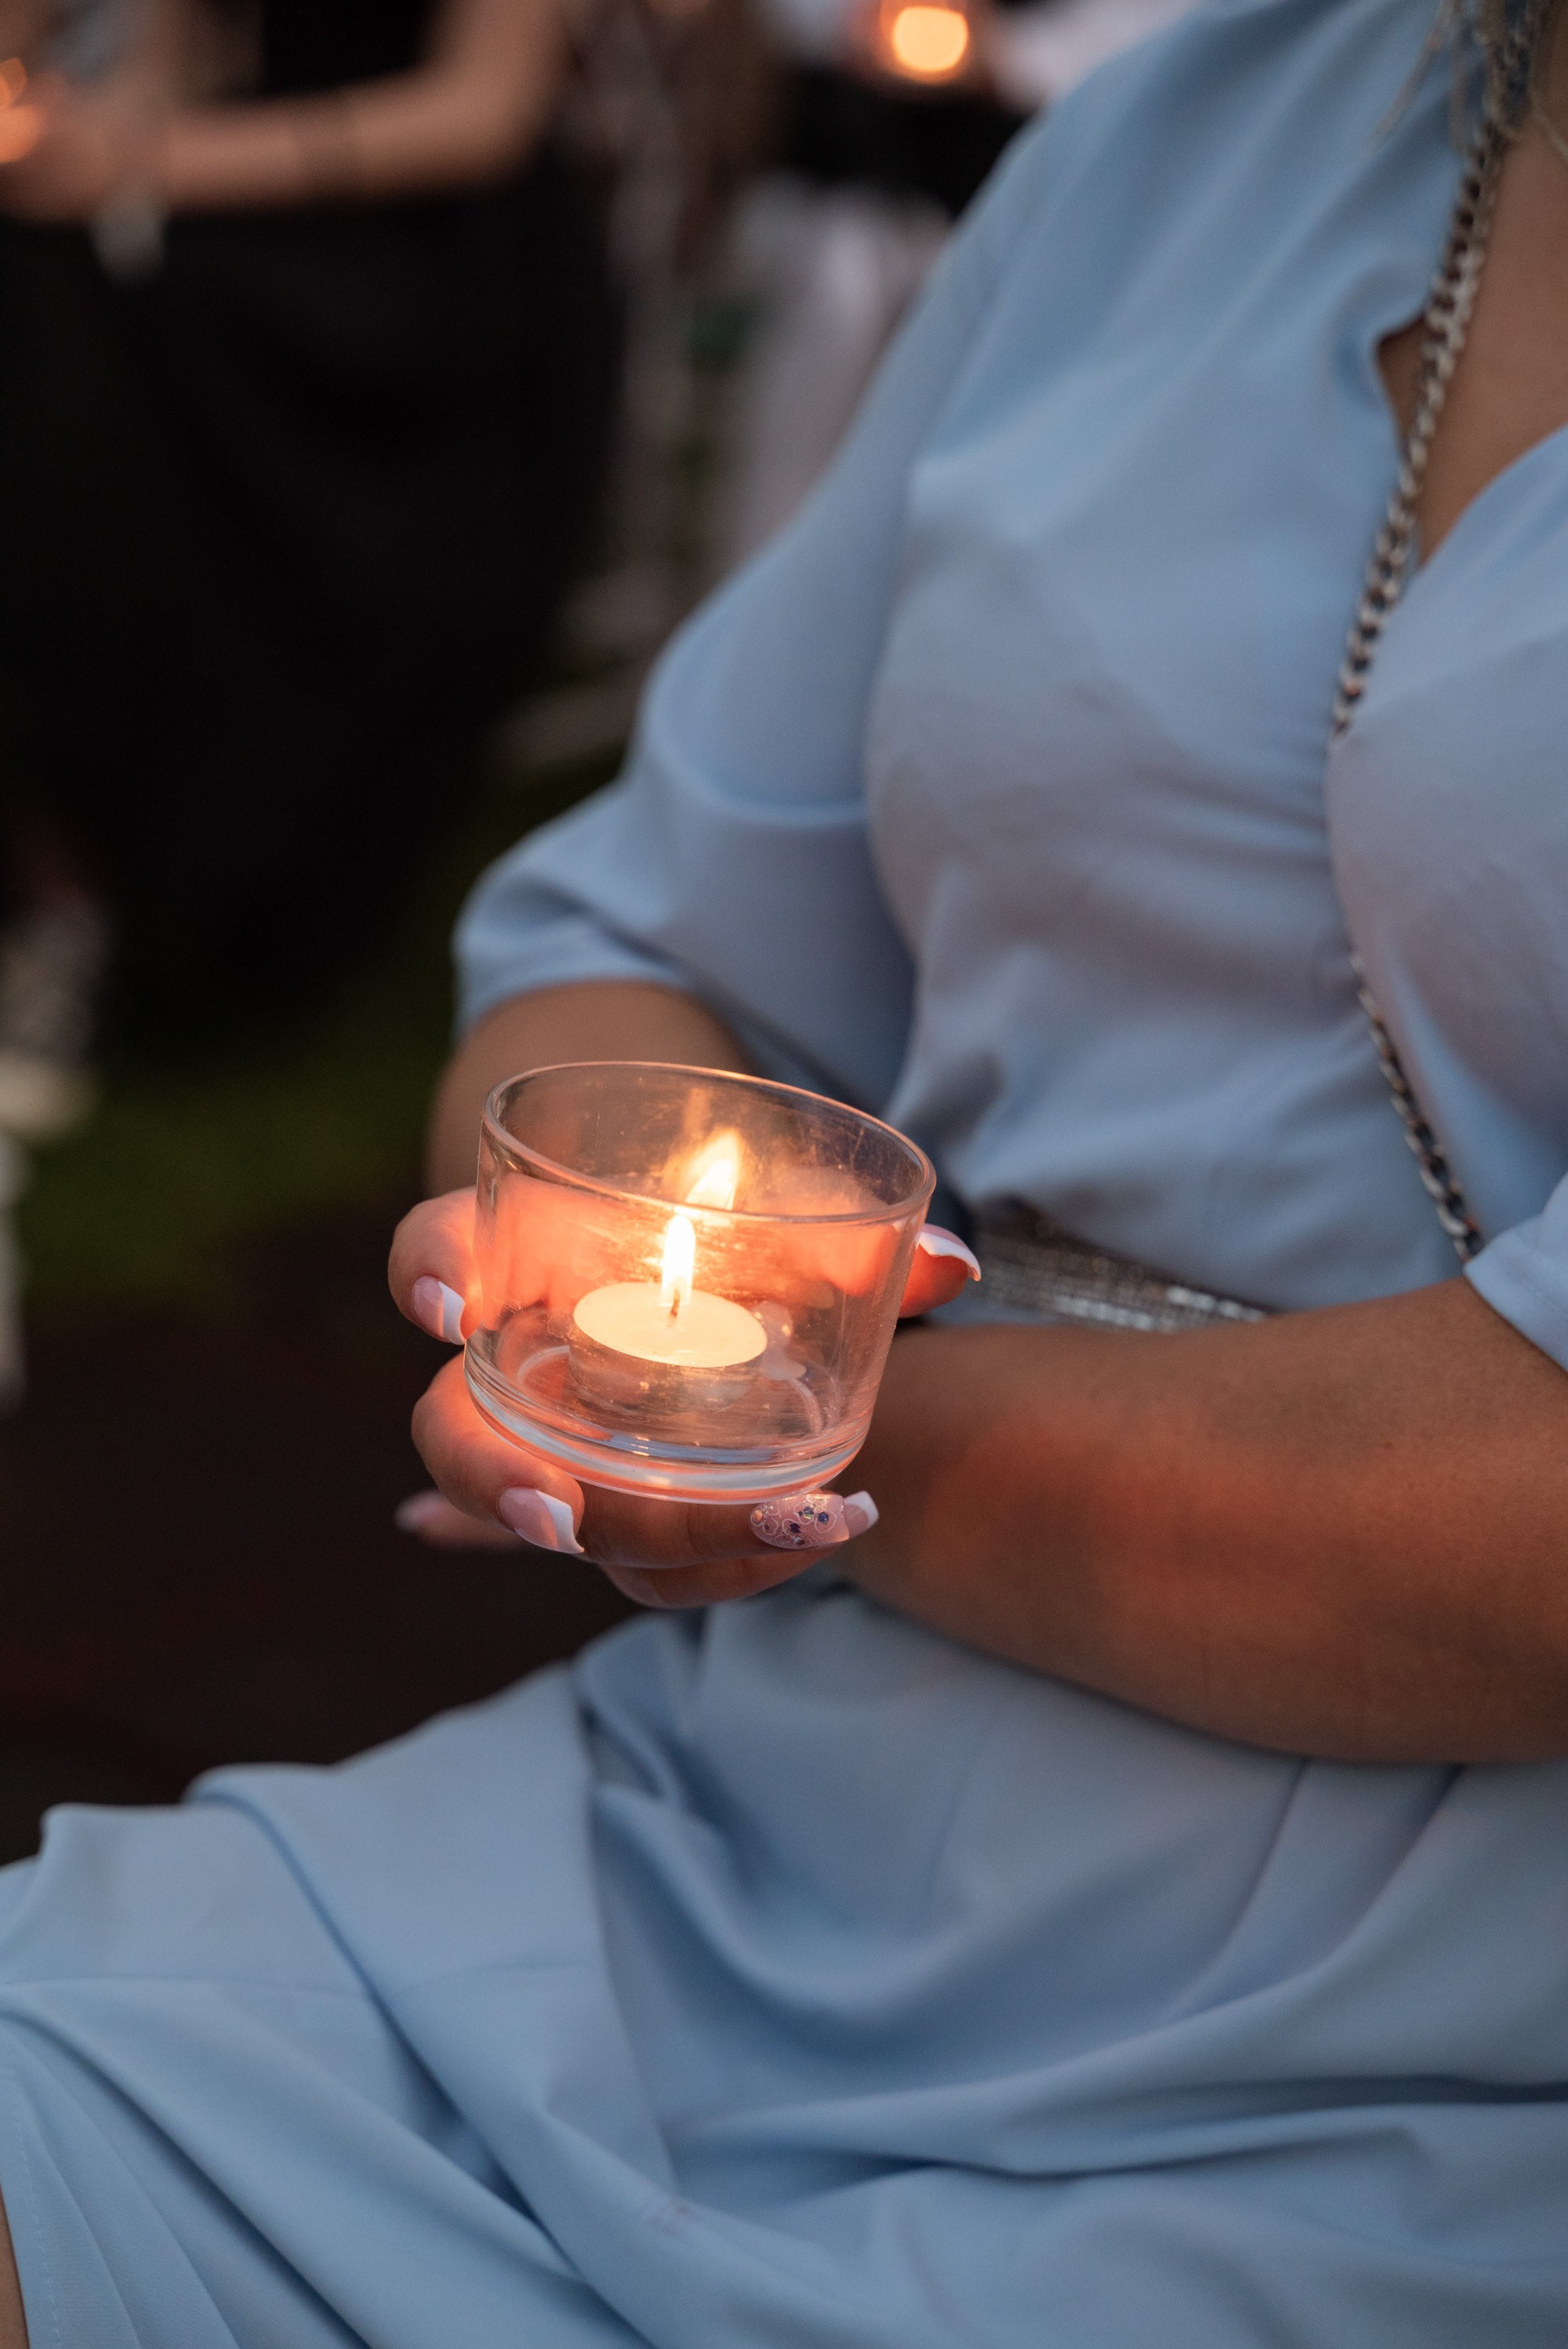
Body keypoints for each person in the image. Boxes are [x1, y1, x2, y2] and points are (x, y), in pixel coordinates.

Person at [2, 0, 1568, 2336]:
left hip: (1442, 2033)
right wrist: (578, 1268)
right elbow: (639, 930)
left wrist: (765, 1422)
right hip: (750, 1814)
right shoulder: (1209, 129)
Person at [0, 0, 619, 1054]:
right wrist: (72, 137)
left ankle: (116, 893)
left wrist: (153, 159)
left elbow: (483, 113)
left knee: (98, 407)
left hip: (437, 279)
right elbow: (167, 62)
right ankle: (63, 856)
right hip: (231, 235)